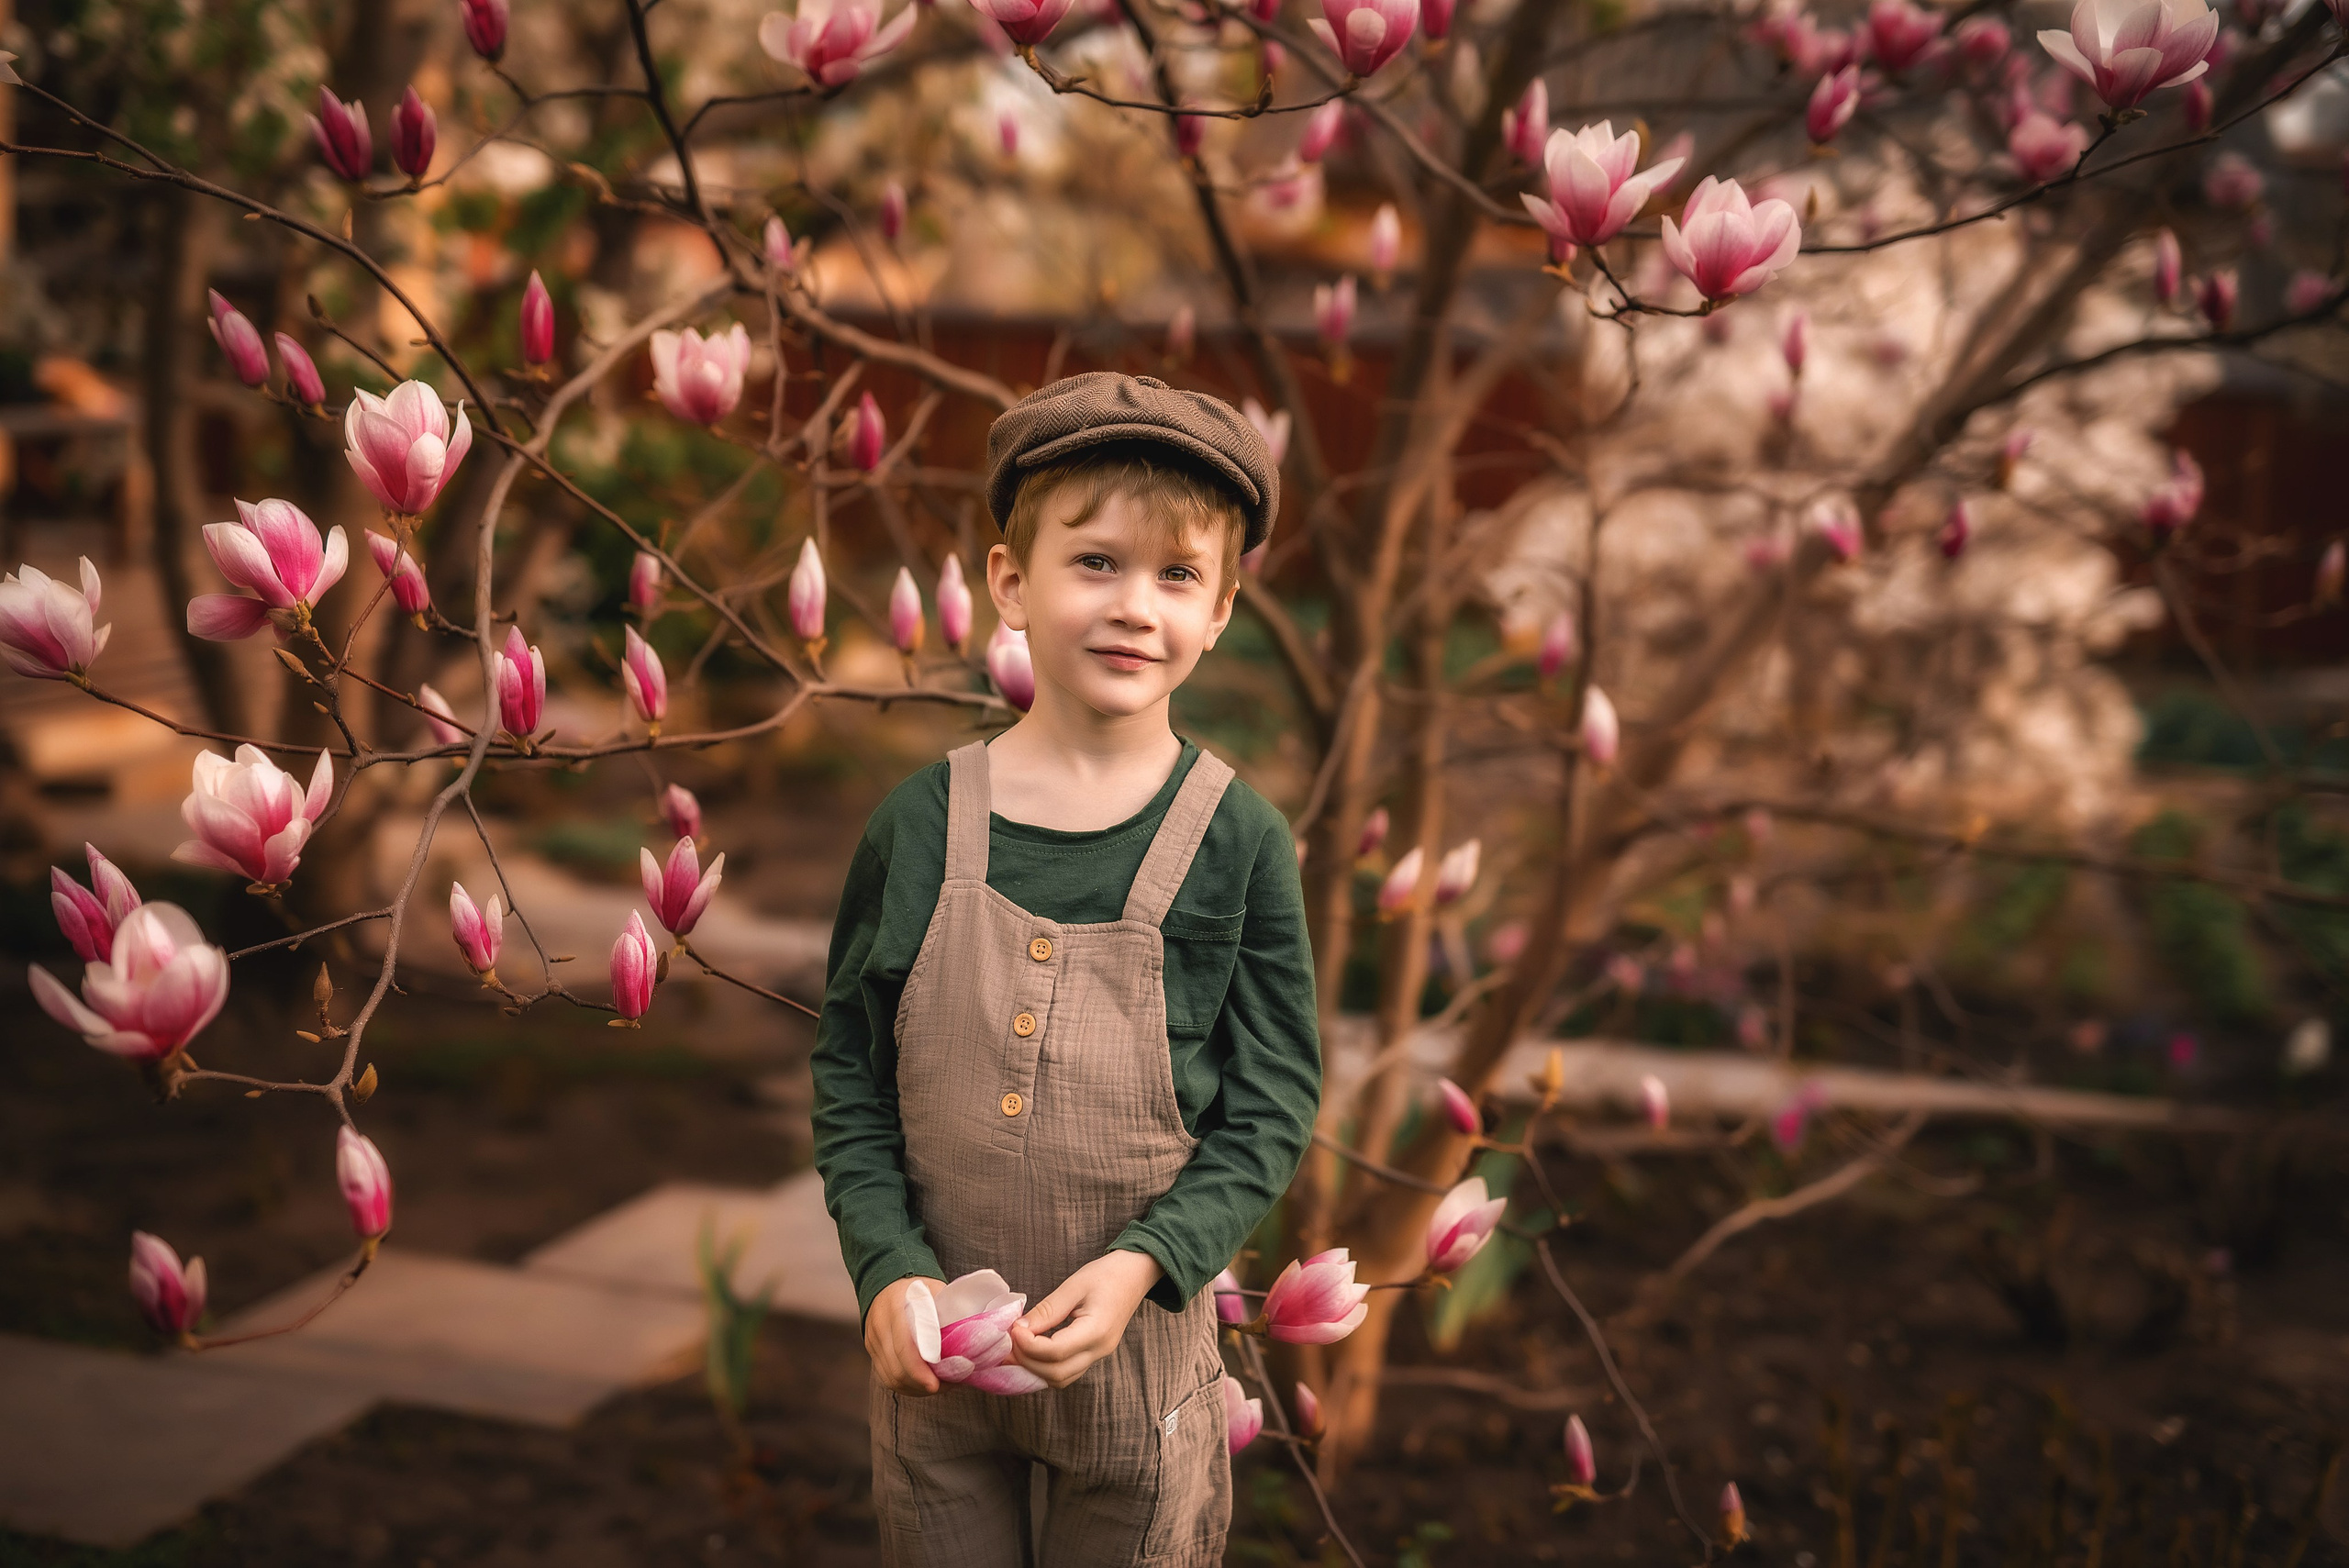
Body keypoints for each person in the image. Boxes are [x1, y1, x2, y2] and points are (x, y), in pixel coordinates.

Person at [811, 372, 1321, 1565]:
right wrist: (886, 1268)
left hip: (1138, 1376)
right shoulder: (919, 824)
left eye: (1177, 574)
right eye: (1095, 562)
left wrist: (1154, 1256)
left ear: (1222, 611)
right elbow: (850, 1072)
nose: (1135, 605)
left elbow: (1272, 1099)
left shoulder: (1238, 841)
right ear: (1009, 584)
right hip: (936, 1372)